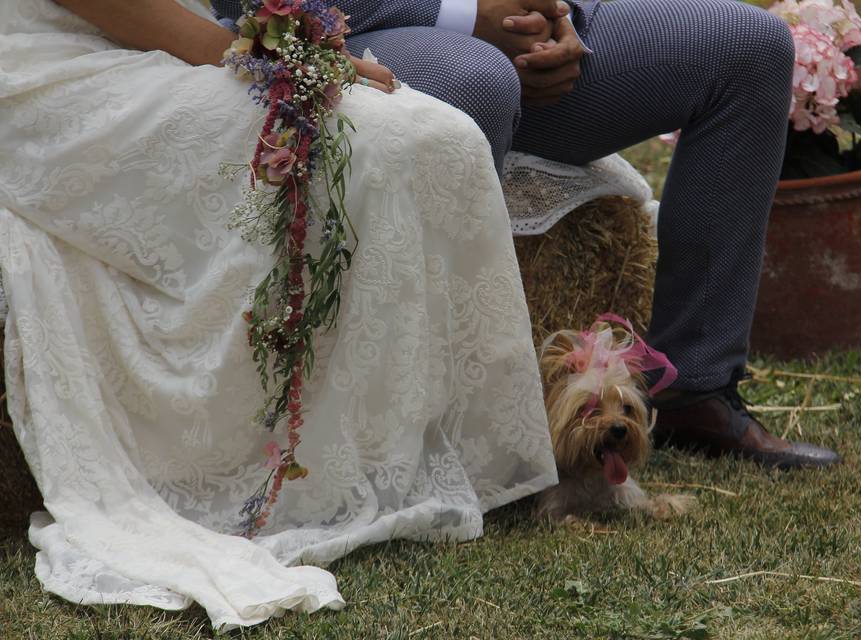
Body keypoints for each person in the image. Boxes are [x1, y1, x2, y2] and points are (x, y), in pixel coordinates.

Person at [0, 0, 557, 628]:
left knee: (438, 137)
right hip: (57, 65)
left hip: (182, 44)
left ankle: (430, 446)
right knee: (393, 139)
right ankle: (295, 464)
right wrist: (278, 64)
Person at [218, 0, 844, 468]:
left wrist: (549, 12)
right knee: (477, 78)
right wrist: (466, 13)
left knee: (750, 47)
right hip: (358, 31)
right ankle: (446, 428)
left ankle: (695, 388)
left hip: (514, 29)